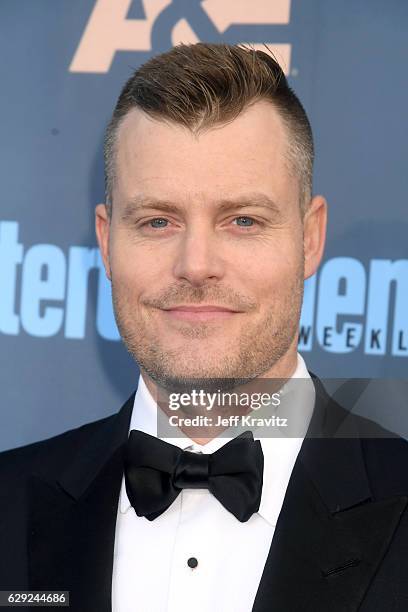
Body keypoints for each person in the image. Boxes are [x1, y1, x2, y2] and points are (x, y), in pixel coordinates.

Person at [1, 42, 408, 612]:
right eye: (157, 220)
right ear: (106, 240)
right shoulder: (9, 505)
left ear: (310, 238)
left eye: (243, 220)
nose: (195, 264)